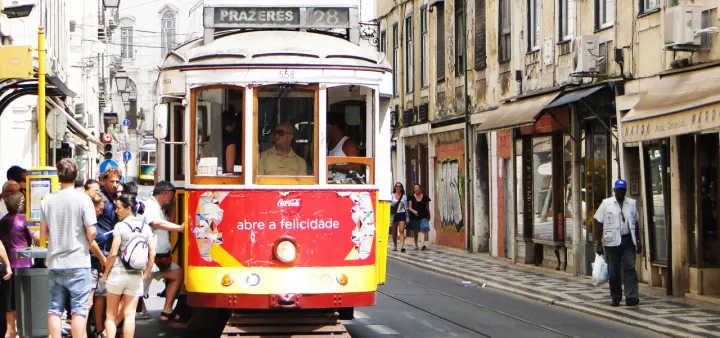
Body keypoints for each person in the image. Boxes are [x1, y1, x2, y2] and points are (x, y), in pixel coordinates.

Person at [39, 158, 97, 338]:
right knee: (79, 309)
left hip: (55, 262)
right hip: (79, 261)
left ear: (58, 176)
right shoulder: (83, 199)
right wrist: (86, 240)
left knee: (55, 308)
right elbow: (92, 231)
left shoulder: (47, 200)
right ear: (77, 175)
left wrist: (57, 239)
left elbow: (43, 232)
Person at [100, 193, 154, 338]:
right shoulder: (145, 227)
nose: (116, 211)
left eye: (118, 208)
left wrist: (105, 275)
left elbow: (112, 253)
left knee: (110, 315)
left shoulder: (120, 226)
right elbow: (152, 253)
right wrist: (147, 273)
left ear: (128, 208)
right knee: (129, 315)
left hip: (117, 273)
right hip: (136, 275)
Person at [594, 179, 641, 307]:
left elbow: (635, 222)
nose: (620, 192)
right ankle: (616, 297)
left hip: (627, 241)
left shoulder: (631, 203)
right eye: (618, 190)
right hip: (611, 242)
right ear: (614, 190)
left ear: (625, 191)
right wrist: (598, 242)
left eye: (623, 190)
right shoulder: (606, 203)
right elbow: (598, 222)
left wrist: (638, 241)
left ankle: (631, 297)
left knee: (630, 268)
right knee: (613, 272)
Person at [0, 192, 39, 338]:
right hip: (25, 267)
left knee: (11, 317)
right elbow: (36, 236)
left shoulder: (3, 220)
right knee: (26, 310)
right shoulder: (24, 219)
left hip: (8, 267)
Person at [144, 181, 184, 321]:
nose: (172, 200)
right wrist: (179, 228)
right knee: (134, 292)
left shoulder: (159, 208)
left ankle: (167, 310)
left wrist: (172, 205)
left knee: (177, 274)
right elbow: (157, 223)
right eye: (171, 197)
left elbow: (169, 221)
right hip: (149, 259)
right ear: (164, 194)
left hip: (161, 258)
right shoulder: (150, 205)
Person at [92, 168, 123, 336]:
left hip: (114, 247)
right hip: (102, 248)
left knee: (112, 291)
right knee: (100, 293)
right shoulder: (100, 198)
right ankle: (99, 328)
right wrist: (100, 236)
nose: (115, 184)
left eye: (117, 181)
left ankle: (110, 326)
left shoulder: (117, 198)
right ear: (104, 181)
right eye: (112, 181)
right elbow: (91, 222)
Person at [327, 113, 361, 180]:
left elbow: (357, 167)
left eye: (326, 126)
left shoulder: (348, 144)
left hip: (340, 185)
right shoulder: (328, 143)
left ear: (334, 127)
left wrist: (334, 167)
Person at [408, 183, 431, 251]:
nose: (416, 189)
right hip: (414, 216)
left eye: (417, 188)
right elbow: (409, 207)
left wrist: (429, 215)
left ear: (420, 189)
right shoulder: (411, 197)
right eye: (415, 188)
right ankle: (416, 244)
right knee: (416, 231)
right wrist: (414, 211)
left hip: (423, 215)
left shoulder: (425, 198)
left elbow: (427, 207)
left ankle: (423, 244)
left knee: (422, 229)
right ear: (414, 189)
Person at [391, 183, 409, 253]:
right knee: (394, 232)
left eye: (400, 186)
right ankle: (395, 246)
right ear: (395, 188)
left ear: (401, 188)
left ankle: (402, 246)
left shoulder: (404, 197)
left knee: (401, 230)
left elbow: (406, 207)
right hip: (394, 215)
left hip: (402, 214)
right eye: (397, 186)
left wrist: (407, 218)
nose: (398, 188)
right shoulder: (391, 196)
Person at [222, 110, 241, 174]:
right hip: (225, 180)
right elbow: (230, 169)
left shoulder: (211, 139)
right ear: (232, 124)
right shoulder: (230, 140)